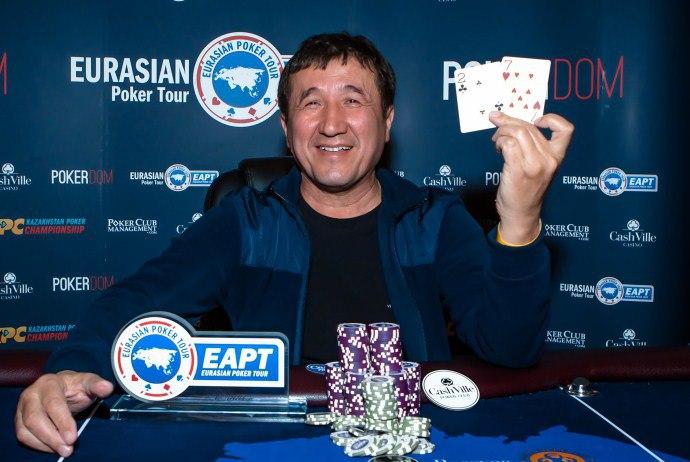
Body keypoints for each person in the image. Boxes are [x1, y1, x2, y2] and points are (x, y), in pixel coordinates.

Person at [15, 33, 574, 457]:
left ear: (387, 121)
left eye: (353, 100)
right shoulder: (246, 220)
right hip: (274, 442)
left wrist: (521, 218)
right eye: (311, 103)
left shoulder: (436, 219)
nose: (332, 124)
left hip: (410, 441)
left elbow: (510, 349)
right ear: (286, 127)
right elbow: (137, 301)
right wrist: (68, 369)